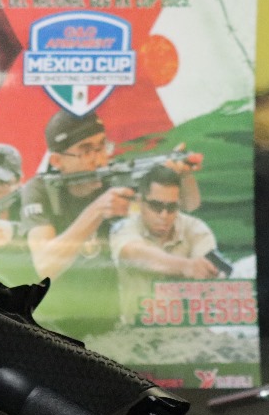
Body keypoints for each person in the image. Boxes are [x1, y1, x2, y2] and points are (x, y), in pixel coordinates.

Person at [20, 109, 201, 334]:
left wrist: (182, 175)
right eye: (86, 150)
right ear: (57, 161)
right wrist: (98, 210)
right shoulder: (40, 190)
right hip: (52, 326)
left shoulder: (116, 178)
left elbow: (190, 204)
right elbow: (46, 265)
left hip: (110, 325)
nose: (99, 159)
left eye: (101, 146)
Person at [110, 164, 220, 324]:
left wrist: (206, 271)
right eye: (156, 206)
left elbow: (210, 278)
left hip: (187, 328)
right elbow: (135, 253)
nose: (164, 215)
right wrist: (186, 267)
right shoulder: (124, 227)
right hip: (137, 329)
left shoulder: (196, 229)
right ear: (140, 202)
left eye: (171, 207)